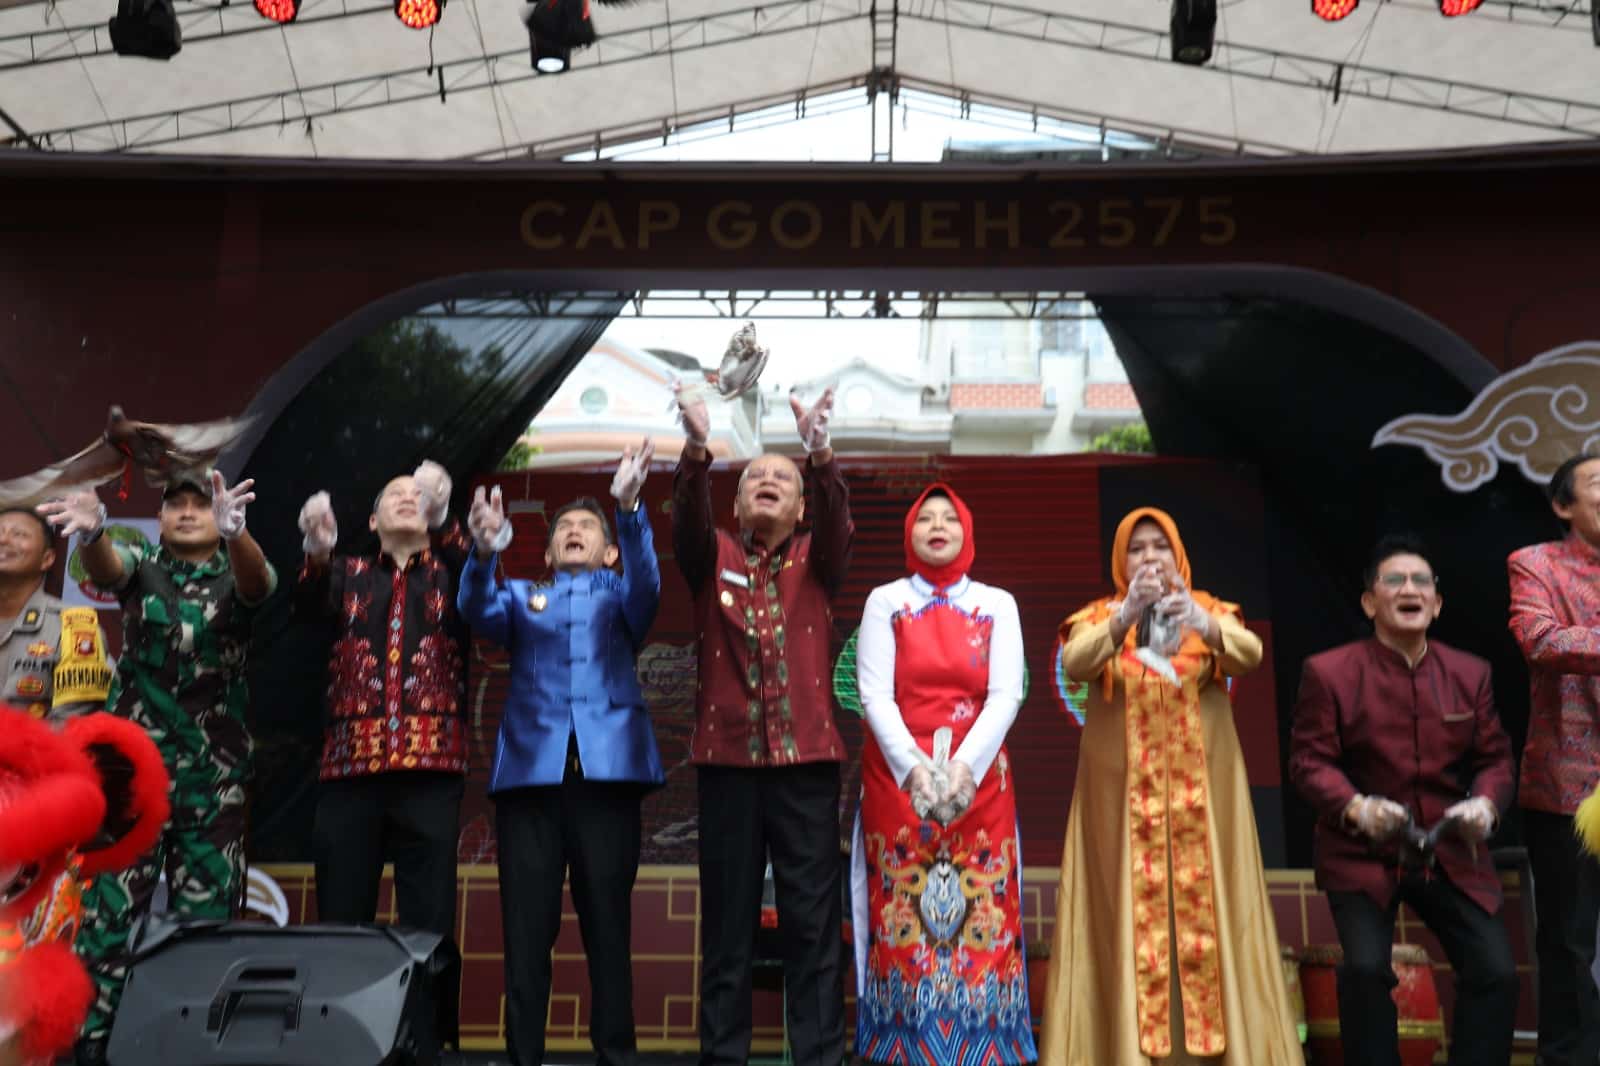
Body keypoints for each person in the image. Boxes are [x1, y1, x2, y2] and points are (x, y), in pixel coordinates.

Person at [1039, 506, 1301, 1066]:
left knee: (1212, 916)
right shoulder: (1100, 615)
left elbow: (1249, 654)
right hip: (1122, 811)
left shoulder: (1208, 610)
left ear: (1178, 553)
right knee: (1123, 923)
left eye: (1160, 545)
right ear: (1120, 560)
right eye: (1137, 548)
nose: (1150, 557)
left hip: (1201, 806)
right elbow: (1076, 663)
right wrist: (1125, 616)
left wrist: (1202, 624)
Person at [40, 470, 275, 1064]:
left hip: (212, 783)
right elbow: (106, 569)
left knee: (207, 930)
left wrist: (237, 534)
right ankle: (90, 1047)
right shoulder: (142, 565)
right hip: (133, 779)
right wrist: (93, 532)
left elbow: (259, 585)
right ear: (161, 518)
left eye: (200, 504)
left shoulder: (237, 567)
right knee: (106, 922)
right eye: (176, 504)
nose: (188, 512)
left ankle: (191, 1051)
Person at [456, 441, 663, 1066]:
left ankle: (616, 1057)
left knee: (608, 929)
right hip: (530, 783)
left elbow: (648, 582)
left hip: (606, 781)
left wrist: (628, 508)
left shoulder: (623, 596)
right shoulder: (522, 597)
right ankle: (524, 1057)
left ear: (609, 551)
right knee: (526, 933)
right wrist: (483, 553)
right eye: (563, 528)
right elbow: (475, 607)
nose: (574, 531)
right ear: (546, 553)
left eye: (587, 528)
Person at [672, 383, 851, 1066]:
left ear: (802, 507)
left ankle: (820, 1058)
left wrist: (820, 452)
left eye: (782, 478)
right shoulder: (712, 555)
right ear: (737, 503)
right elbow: (687, 520)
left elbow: (838, 523)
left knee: (813, 929)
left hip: (807, 768)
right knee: (727, 931)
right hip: (728, 768)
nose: (767, 482)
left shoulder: (819, 560)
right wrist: (697, 448)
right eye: (754, 478)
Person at [1291, 534, 1517, 1066]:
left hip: (1447, 848)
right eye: (1394, 580)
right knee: (1366, 970)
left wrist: (1485, 805)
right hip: (1361, 849)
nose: (1409, 589)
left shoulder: (1471, 674)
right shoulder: (1328, 672)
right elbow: (1308, 762)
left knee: (1496, 971)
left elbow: (1496, 761)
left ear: (1436, 604)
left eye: (1421, 582)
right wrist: (1357, 808)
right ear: (1370, 602)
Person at [851, 483, 1035, 1064]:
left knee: (985, 914)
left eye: (949, 519)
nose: (937, 526)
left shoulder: (997, 603)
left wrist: (963, 768)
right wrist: (914, 770)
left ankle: (986, 1047)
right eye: (925, 518)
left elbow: (1005, 695)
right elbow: (875, 695)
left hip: (980, 790)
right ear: (909, 533)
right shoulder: (885, 602)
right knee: (902, 918)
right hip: (897, 785)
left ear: (967, 533)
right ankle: (903, 1046)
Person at [293, 461, 470, 1047]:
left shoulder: (453, 571)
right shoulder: (347, 573)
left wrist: (448, 522)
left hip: (431, 771)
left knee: (430, 924)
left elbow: (483, 580)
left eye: (417, 494)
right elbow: (305, 605)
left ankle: (427, 1046)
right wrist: (317, 552)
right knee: (342, 922)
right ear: (371, 521)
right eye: (394, 494)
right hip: (350, 771)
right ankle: (340, 1045)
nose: (406, 498)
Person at [1508, 451, 1600, 1066]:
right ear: (1564, 504)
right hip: (1570, 784)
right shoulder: (1536, 563)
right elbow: (1539, 639)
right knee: (1570, 944)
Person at [0, 506, 110, 721]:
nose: (3, 540)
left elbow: (71, 725)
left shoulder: (75, 628)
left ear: (47, 558)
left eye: (19, 534)